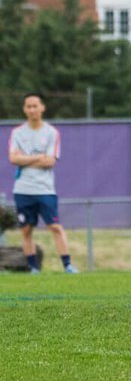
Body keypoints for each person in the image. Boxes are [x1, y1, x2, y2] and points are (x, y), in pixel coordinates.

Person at [8, 92, 78, 274]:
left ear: (42, 108)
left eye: (35, 106)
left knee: (55, 226)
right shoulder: (17, 133)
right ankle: (33, 268)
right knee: (26, 230)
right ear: (24, 109)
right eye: (28, 106)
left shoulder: (51, 132)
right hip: (23, 189)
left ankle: (68, 265)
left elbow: (50, 161)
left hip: (45, 189)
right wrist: (38, 156)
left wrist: (26, 158)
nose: (32, 110)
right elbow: (13, 158)